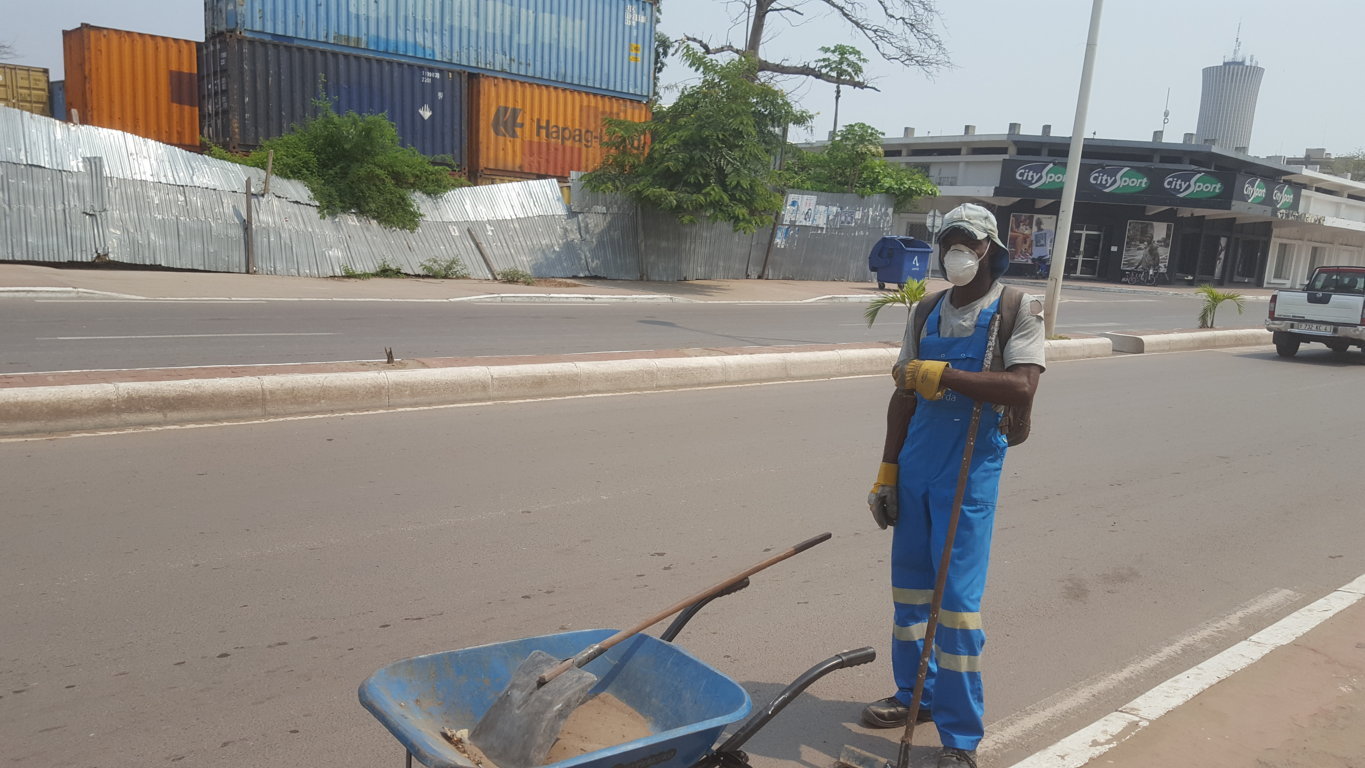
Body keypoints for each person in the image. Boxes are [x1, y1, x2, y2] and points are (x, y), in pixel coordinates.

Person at [863, 203, 1046, 768]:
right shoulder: (925, 311)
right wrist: (887, 470)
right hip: (917, 462)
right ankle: (915, 693)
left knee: (958, 606)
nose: (953, 253)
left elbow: (1021, 387)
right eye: (947, 242)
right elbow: (903, 393)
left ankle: (960, 737)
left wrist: (947, 376)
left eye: (964, 242)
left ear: (989, 248)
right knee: (911, 593)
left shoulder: (1017, 309)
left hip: (969, 469)